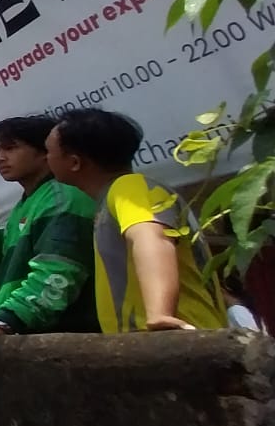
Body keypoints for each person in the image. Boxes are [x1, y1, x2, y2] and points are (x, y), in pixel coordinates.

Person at [46, 108, 226, 332]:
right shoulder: (110, 199)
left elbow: (151, 237)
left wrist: (160, 315)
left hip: (178, 343)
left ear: (74, 162)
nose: (47, 159)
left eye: (49, 152)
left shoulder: (129, 188)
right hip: (150, 347)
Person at [0, 116, 99, 345]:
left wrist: (6, 322)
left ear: (46, 152)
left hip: (64, 338)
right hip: (32, 332)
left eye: (11, 148)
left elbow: (57, 275)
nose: (0, 158)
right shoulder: (27, 203)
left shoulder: (61, 198)